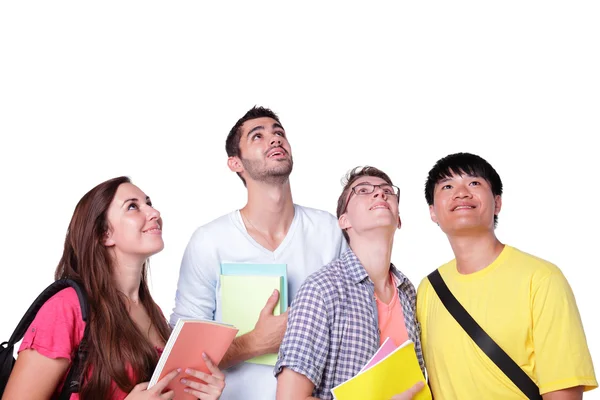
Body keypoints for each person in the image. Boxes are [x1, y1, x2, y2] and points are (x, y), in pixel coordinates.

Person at [169, 106, 347, 400]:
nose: (275, 139)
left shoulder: (328, 231)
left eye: (279, 133)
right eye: (257, 136)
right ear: (235, 163)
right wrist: (255, 342)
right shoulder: (209, 242)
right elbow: (180, 362)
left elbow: (351, 328)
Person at [2, 177, 225, 400]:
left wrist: (198, 393)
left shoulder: (152, 311)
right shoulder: (66, 307)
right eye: (132, 206)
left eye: (148, 202)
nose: (154, 212)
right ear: (104, 234)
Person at [417, 152, 598, 399]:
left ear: (497, 202)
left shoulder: (541, 279)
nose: (461, 192)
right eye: (447, 186)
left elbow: (563, 391)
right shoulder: (428, 289)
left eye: (474, 183)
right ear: (433, 212)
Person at [275, 166, 426, 400]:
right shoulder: (321, 289)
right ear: (344, 221)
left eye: (387, 191)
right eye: (364, 191)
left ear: (398, 220)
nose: (380, 194)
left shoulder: (409, 294)